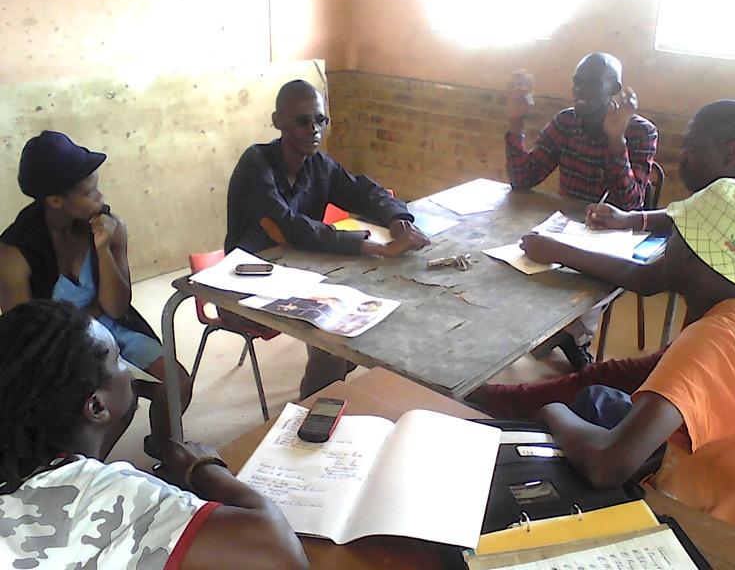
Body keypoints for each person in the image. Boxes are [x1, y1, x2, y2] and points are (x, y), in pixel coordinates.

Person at [472, 100, 735, 418]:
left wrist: (556, 250)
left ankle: (502, 402)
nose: (684, 156)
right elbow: (689, 216)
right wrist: (631, 219)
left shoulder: (718, 336)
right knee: (608, 377)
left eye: (693, 147)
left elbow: (648, 278)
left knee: (608, 385)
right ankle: (509, 398)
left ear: (731, 150)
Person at [536, 178, 735, 546]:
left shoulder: (712, 339)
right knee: (597, 400)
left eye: (675, 234)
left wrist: (550, 411)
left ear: (694, 255)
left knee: (556, 445)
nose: (667, 244)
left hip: (717, 538)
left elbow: (605, 467)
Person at [0, 300, 308, 569]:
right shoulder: (109, 493)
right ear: (96, 406)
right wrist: (204, 469)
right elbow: (280, 556)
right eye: (119, 359)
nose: (129, 369)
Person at [225, 79, 431, 398]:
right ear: (278, 121)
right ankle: (311, 410)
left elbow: (363, 191)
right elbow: (288, 227)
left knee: (369, 309)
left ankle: (327, 393)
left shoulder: (318, 164)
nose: (314, 129)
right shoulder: (256, 164)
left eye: (320, 119)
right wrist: (377, 248)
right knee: (333, 338)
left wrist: (397, 220)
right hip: (245, 284)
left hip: (302, 268)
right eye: (302, 121)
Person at [0, 131, 192, 461]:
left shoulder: (107, 227)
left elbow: (116, 308)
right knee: (119, 402)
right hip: (62, 350)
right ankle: (84, 468)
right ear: (55, 201)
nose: (100, 197)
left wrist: (103, 249)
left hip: (110, 327)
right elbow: (31, 340)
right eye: (89, 192)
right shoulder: (13, 255)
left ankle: (164, 447)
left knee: (177, 384)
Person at [506, 53, 659, 369]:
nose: (580, 91)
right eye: (577, 83)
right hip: (567, 229)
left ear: (614, 88)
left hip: (616, 234)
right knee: (517, 258)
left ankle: (572, 335)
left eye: (592, 84)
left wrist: (616, 140)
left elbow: (631, 204)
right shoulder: (566, 122)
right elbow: (523, 179)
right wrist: (517, 122)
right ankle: (566, 333)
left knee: (596, 275)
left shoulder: (640, 131)